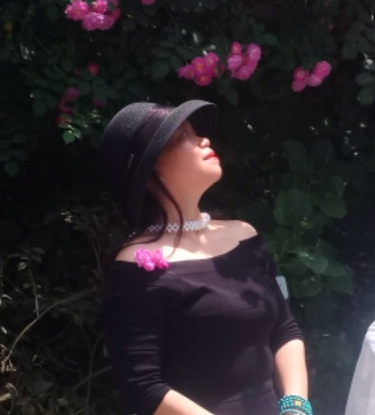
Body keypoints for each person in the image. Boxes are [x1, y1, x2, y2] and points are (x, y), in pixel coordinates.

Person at [99, 99, 311, 415]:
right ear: (150, 169)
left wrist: (296, 406)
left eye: (196, 131)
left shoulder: (244, 235)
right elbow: (142, 387)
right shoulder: (133, 268)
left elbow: (284, 328)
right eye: (181, 136)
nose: (204, 139)